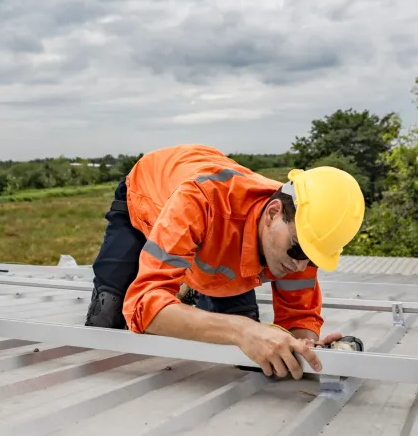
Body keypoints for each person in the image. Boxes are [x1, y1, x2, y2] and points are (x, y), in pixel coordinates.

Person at [84, 144, 366, 380]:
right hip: (147, 195)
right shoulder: (200, 200)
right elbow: (143, 306)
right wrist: (240, 330)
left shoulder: (303, 233)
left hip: (212, 240)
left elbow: (297, 320)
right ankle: (184, 284)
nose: (300, 267)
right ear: (273, 213)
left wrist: (305, 347)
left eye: (312, 258)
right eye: (297, 251)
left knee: (257, 357)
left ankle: (190, 287)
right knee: (105, 318)